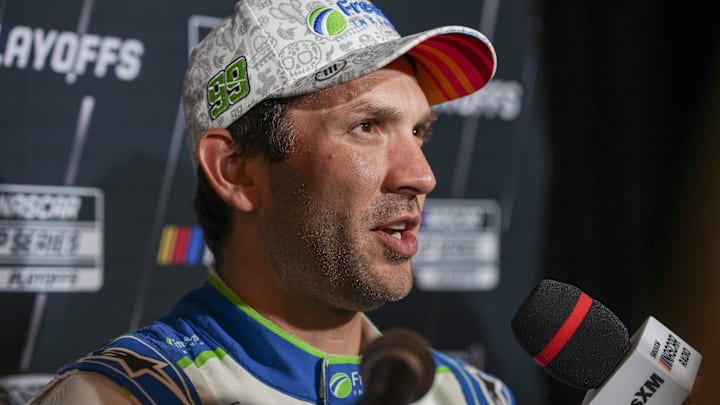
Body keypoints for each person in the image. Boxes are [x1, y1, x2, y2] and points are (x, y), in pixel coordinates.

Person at [31, 0, 514, 403]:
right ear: (235, 171)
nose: (422, 176)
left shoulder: (469, 394)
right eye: (367, 127)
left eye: (418, 132)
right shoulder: (121, 397)